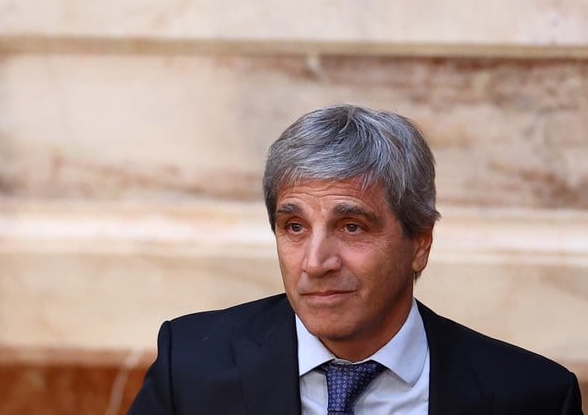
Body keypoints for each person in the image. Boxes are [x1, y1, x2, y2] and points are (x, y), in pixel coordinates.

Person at [128, 104, 583, 414]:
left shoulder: (531, 396)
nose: (316, 262)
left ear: (419, 243)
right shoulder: (189, 366)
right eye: (295, 227)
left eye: (352, 227)